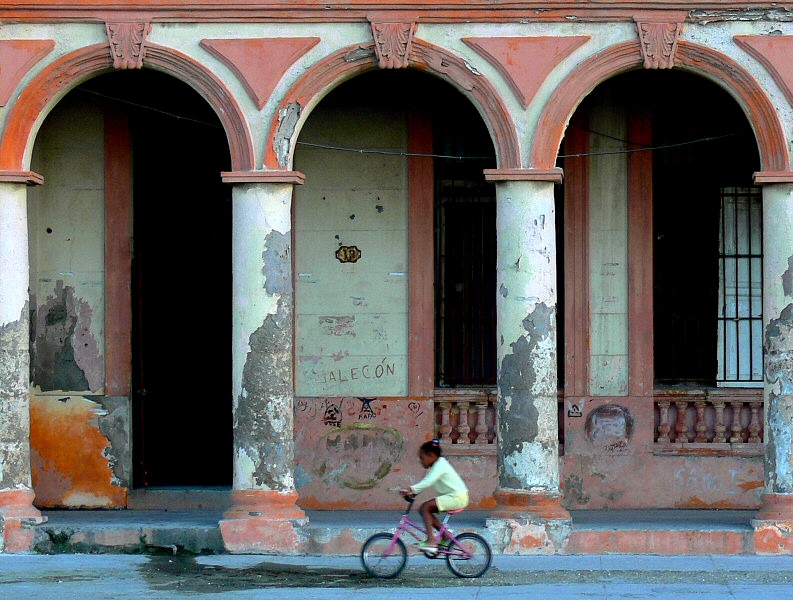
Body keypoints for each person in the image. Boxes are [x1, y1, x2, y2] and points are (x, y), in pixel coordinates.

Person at [400, 439, 469, 555]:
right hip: (454, 497)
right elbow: (426, 482)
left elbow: (428, 481)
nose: (421, 461)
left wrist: (411, 489)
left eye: (422, 458)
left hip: (457, 497)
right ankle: (446, 536)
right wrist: (414, 493)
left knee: (425, 507)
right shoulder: (436, 465)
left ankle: (431, 541)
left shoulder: (440, 465)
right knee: (425, 509)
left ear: (431, 456)